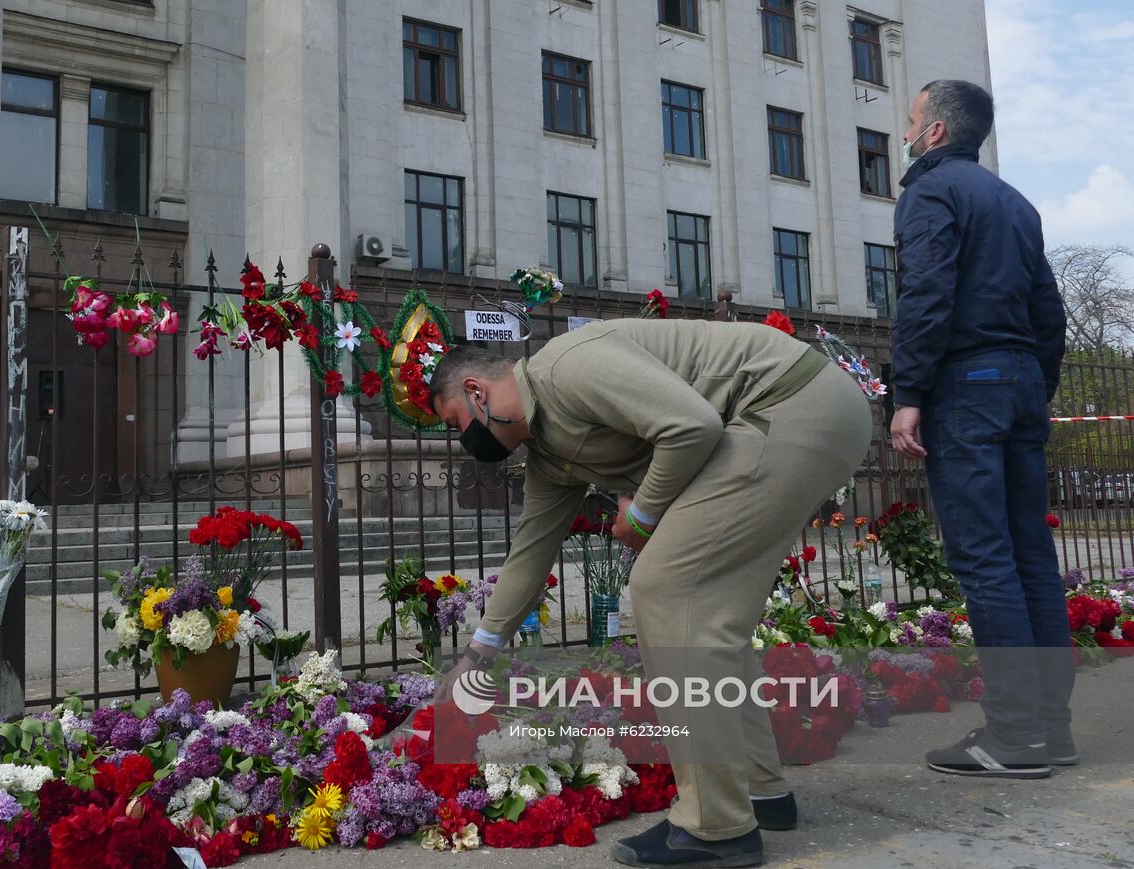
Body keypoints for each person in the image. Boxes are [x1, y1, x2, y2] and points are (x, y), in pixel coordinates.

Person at [428, 318, 873, 868]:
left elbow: (690, 426)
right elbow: (530, 555)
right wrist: (477, 655)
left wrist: (641, 515)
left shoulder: (568, 365)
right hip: (780, 420)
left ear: (476, 391)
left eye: (457, 423)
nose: (465, 441)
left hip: (789, 402)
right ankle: (761, 792)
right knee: (710, 620)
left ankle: (715, 827)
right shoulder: (547, 455)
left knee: (667, 589)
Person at [889, 79, 1073, 778]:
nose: (905, 131)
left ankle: (1013, 736)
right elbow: (1047, 309)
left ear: (935, 131)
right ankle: (1049, 731)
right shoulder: (1014, 202)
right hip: (1021, 379)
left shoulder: (931, 193)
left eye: (911, 120)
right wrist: (1035, 387)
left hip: (968, 383)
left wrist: (910, 392)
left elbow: (925, 291)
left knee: (986, 560)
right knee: (1030, 558)